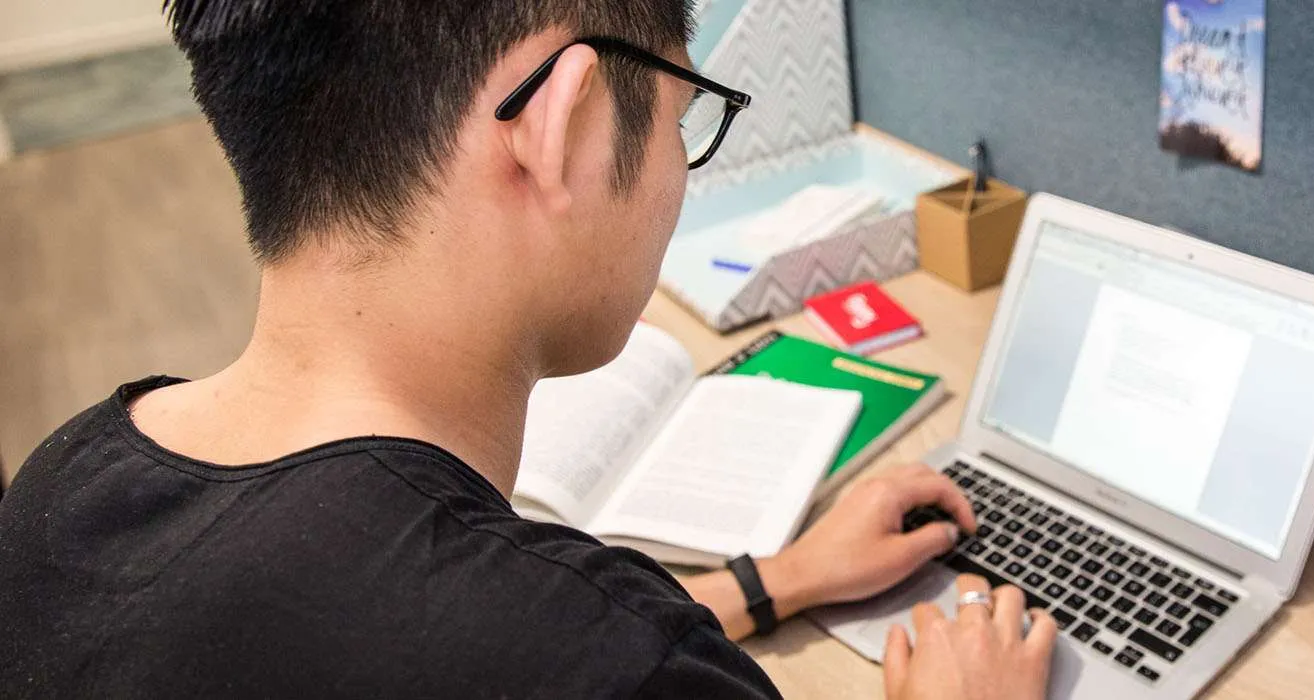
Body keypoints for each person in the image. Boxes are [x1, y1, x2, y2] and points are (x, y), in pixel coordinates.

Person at [0, 0, 1057, 697]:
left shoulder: (67, 485)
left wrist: (770, 580)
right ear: (563, 124)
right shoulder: (607, 665)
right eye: (687, 118)